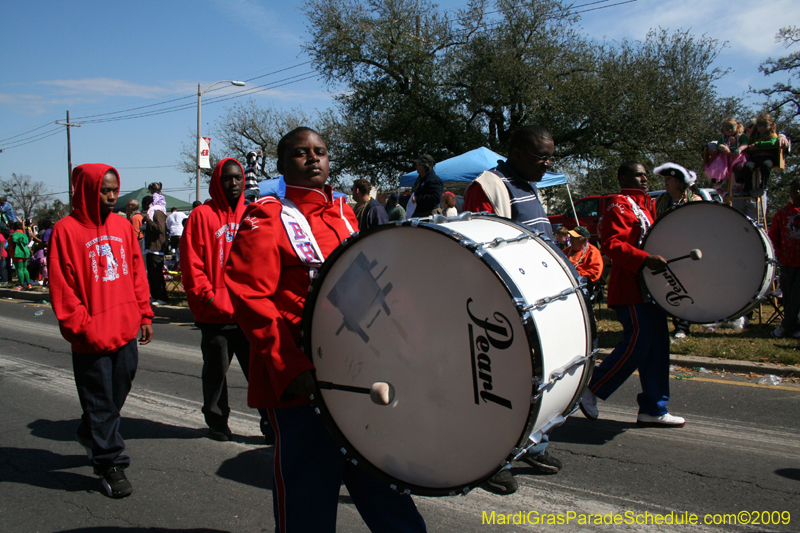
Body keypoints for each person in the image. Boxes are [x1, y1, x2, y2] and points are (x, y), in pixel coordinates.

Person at [224, 127, 426, 533]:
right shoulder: (265, 217)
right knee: (309, 503)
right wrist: (289, 365)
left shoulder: (343, 214)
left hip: (363, 374)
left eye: (320, 152)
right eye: (301, 153)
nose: (313, 158)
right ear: (283, 165)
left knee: (386, 487)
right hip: (306, 382)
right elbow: (250, 299)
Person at [463, 125, 569, 494]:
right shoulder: (489, 186)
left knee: (539, 377)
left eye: (551, 155)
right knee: (500, 385)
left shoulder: (528, 184)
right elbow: (482, 245)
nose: (548, 163)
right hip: (502, 305)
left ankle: (532, 444)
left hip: (538, 300)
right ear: (518, 153)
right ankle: (492, 458)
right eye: (542, 156)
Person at [48, 163, 154, 499]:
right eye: (104, 191)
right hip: (90, 339)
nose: (111, 197)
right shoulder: (65, 230)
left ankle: (89, 430)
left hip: (124, 330)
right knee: (100, 401)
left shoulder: (123, 226)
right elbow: (61, 284)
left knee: (116, 393)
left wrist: (145, 314)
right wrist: (81, 326)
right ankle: (110, 463)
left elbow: (137, 272)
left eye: (113, 191)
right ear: (87, 191)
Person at [579, 161, 686, 429]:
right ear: (623, 176)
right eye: (638, 175)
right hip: (631, 288)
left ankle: (654, 408)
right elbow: (612, 244)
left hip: (651, 289)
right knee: (639, 342)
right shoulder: (619, 204)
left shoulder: (647, 204)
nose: (644, 179)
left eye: (646, 175)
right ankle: (592, 387)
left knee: (658, 348)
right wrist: (644, 259)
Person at [180, 158, 272, 443]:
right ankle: (217, 420)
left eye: (237, 179)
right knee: (216, 372)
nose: (233, 184)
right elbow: (191, 263)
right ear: (217, 182)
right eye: (227, 179)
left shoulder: (251, 215)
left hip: (248, 313)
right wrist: (207, 298)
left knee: (260, 374)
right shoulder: (202, 216)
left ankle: (271, 422)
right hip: (215, 316)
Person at [654, 163, 701, 339]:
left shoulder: (694, 201)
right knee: (668, 286)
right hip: (666, 249)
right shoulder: (661, 201)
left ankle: (683, 326)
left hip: (687, 250)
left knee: (684, 287)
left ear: (679, 182)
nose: (665, 182)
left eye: (669, 179)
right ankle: (669, 324)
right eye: (665, 178)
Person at [768, 179, 800, 339]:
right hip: (787, 261)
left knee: (797, 296)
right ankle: (792, 327)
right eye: (795, 189)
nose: (798, 193)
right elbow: (773, 236)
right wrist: (778, 253)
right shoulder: (783, 213)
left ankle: (787, 326)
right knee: (787, 295)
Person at [740, 112, 780, 197]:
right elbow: (749, 144)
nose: (762, 127)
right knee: (747, 167)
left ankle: (763, 186)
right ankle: (748, 188)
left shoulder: (772, 135)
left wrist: (758, 144)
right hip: (756, 157)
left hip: (767, 157)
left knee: (766, 165)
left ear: (770, 124)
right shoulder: (754, 136)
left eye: (765, 124)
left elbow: (772, 143)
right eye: (759, 125)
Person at [141, 195, 170, 305]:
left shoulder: (157, 212)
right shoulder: (152, 212)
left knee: (157, 274)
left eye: (144, 203)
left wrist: (149, 221)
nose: (142, 206)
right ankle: (155, 295)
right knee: (152, 274)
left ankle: (162, 297)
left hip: (156, 248)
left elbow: (160, 228)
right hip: (150, 248)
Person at [10, 221, 32, 290]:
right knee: (25, 269)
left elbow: (14, 242)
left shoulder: (14, 234)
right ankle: (28, 284)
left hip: (18, 253)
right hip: (25, 253)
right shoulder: (24, 234)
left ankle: (21, 285)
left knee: (19, 269)